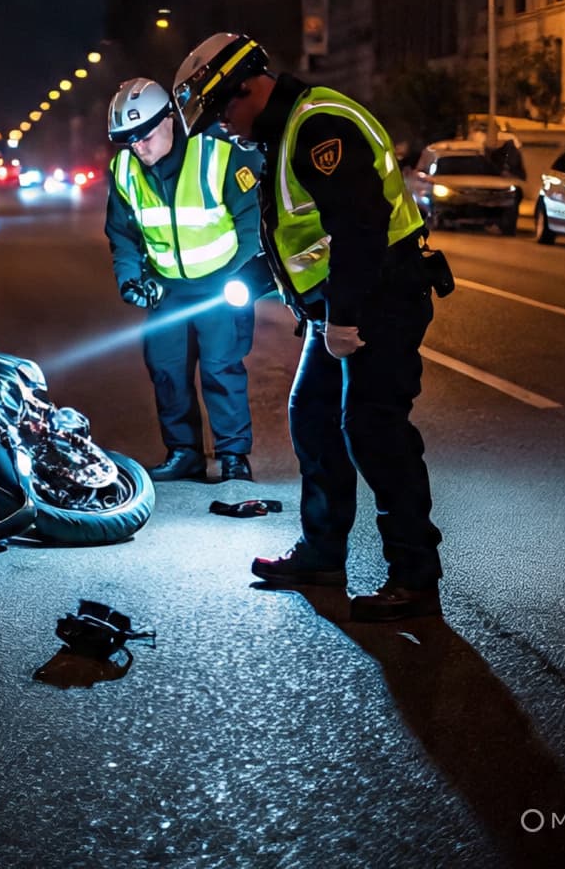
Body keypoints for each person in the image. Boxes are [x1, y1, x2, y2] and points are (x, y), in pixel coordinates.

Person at [173, 33, 444, 622]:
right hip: (340, 305)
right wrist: (245, 279)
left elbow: (360, 230)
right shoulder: (283, 131)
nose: (223, 127)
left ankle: (415, 577)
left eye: (223, 112)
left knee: (374, 429)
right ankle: (322, 553)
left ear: (248, 88)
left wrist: (344, 319)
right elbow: (304, 236)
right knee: (313, 417)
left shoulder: (319, 127)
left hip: (381, 299)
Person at [104, 78, 262, 484]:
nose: (138, 147)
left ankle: (232, 457)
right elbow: (121, 232)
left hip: (218, 285)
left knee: (221, 368)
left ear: (170, 120)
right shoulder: (124, 169)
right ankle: (184, 453)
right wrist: (130, 277)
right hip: (168, 288)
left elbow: (251, 223)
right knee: (166, 369)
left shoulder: (216, 154)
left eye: (145, 135)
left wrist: (237, 275)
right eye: (129, 140)